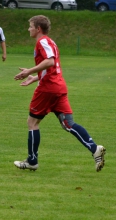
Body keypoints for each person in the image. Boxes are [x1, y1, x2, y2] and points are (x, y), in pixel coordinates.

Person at [13, 15, 106, 172]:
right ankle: (94, 149)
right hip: (58, 87)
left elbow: (50, 61)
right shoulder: (50, 42)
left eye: (30, 26)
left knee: (32, 123)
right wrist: (35, 77)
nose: (28, 29)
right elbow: (52, 67)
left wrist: (30, 70)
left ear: (38, 29)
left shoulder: (42, 42)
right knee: (68, 123)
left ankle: (32, 161)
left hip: (47, 89)